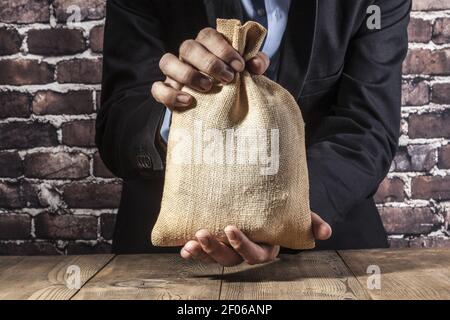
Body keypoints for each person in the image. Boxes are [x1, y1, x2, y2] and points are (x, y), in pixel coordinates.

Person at [96, 0, 411, 266]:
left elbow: (367, 127)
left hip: (326, 245)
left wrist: (284, 215)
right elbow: (118, 125)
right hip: (165, 258)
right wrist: (177, 114)